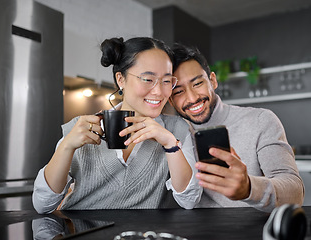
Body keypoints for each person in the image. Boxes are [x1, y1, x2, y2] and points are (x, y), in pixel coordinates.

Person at [32, 37, 202, 214]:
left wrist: (170, 144)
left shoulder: (177, 130)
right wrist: (67, 146)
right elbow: (42, 205)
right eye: (147, 79)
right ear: (121, 79)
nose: (159, 91)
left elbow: (189, 201)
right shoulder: (81, 128)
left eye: (166, 81)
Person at [168, 43, 304, 212]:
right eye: (178, 92)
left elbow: (295, 193)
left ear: (213, 80)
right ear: (170, 100)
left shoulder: (261, 120)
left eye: (197, 84)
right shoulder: (172, 136)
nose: (192, 98)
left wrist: (249, 188)